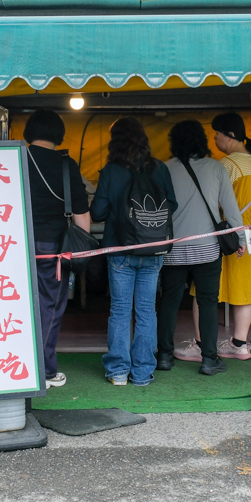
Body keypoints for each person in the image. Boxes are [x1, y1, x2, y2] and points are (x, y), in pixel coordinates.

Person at [90, 117, 175, 386]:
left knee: (120, 310)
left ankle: (118, 372)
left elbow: (98, 212)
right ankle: (142, 373)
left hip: (120, 248)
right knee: (147, 311)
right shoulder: (159, 168)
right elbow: (171, 204)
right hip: (153, 249)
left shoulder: (111, 171)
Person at [180, 113, 251, 361]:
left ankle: (200, 344)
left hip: (229, 233)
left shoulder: (228, 165)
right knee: (246, 290)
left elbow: (215, 201)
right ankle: (239, 344)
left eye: (216, 134)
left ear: (229, 136)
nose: (214, 139)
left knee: (205, 288)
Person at [159, 119, 244, 376]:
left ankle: (163, 356)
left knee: (168, 302)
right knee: (208, 302)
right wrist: (239, 238)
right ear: (202, 141)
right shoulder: (216, 168)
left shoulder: (164, 169)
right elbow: (230, 208)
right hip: (207, 249)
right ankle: (209, 359)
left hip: (172, 249)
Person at [24, 110, 91, 389]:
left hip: (12, 244)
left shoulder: (15, 158)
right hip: (54, 247)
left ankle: (15, 366)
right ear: (58, 134)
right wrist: (82, 247)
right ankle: (44, 370)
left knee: (14, 303)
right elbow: (81, 215)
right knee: (50, 304)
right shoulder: (66, 164)